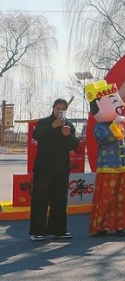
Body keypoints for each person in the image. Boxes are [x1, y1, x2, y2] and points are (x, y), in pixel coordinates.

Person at [85, 79, 125, 238]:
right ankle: (100, 226)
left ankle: (120, 226)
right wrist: (114, 126)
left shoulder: (118, 125)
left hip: (122, 167)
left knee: (121, 199)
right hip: (107, 168)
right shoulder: (100, 127)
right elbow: (104, 139)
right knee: (105, 197)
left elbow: (124, 142)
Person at [29, 98, 79, 241]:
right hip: (43, 168)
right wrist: (52, 126)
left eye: (63, 110)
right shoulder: (44, 122)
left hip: (61, 169)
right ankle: (38, 231)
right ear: (53, 108)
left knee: (59, 201)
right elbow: (37, 135)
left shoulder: (68, 126)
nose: (60, 112)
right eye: (58, 109)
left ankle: (58, 230)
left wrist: (67, 135)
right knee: (40, 199)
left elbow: (74, 145)